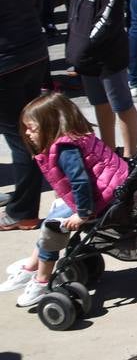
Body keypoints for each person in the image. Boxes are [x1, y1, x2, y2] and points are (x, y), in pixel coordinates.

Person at [1, 93, 129, 306]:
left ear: (50, 124)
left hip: (101, 201)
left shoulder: (64, 149)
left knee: (52, 228)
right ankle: (32, 265)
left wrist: (82, 214)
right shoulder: (75, 136)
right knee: (57, 208)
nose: (27, 133)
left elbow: (80, 183)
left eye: (32, 128)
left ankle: (41, 280)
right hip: (109, 192)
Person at [61, 0, 137, 156]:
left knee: (121, 104)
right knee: (99, 104)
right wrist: (73, 47)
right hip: (87, 57)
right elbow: (74, 10)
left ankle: (130, 154)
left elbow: (109, 17)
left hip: (108, 57)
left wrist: (85, 46)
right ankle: (108, 152)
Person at [0, 0, 47, 231]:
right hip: (32, 51)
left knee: (21, 137)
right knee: (30, 133)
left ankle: (23, 210)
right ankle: (24, 200)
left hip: (8, 60)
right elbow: (38, 0)